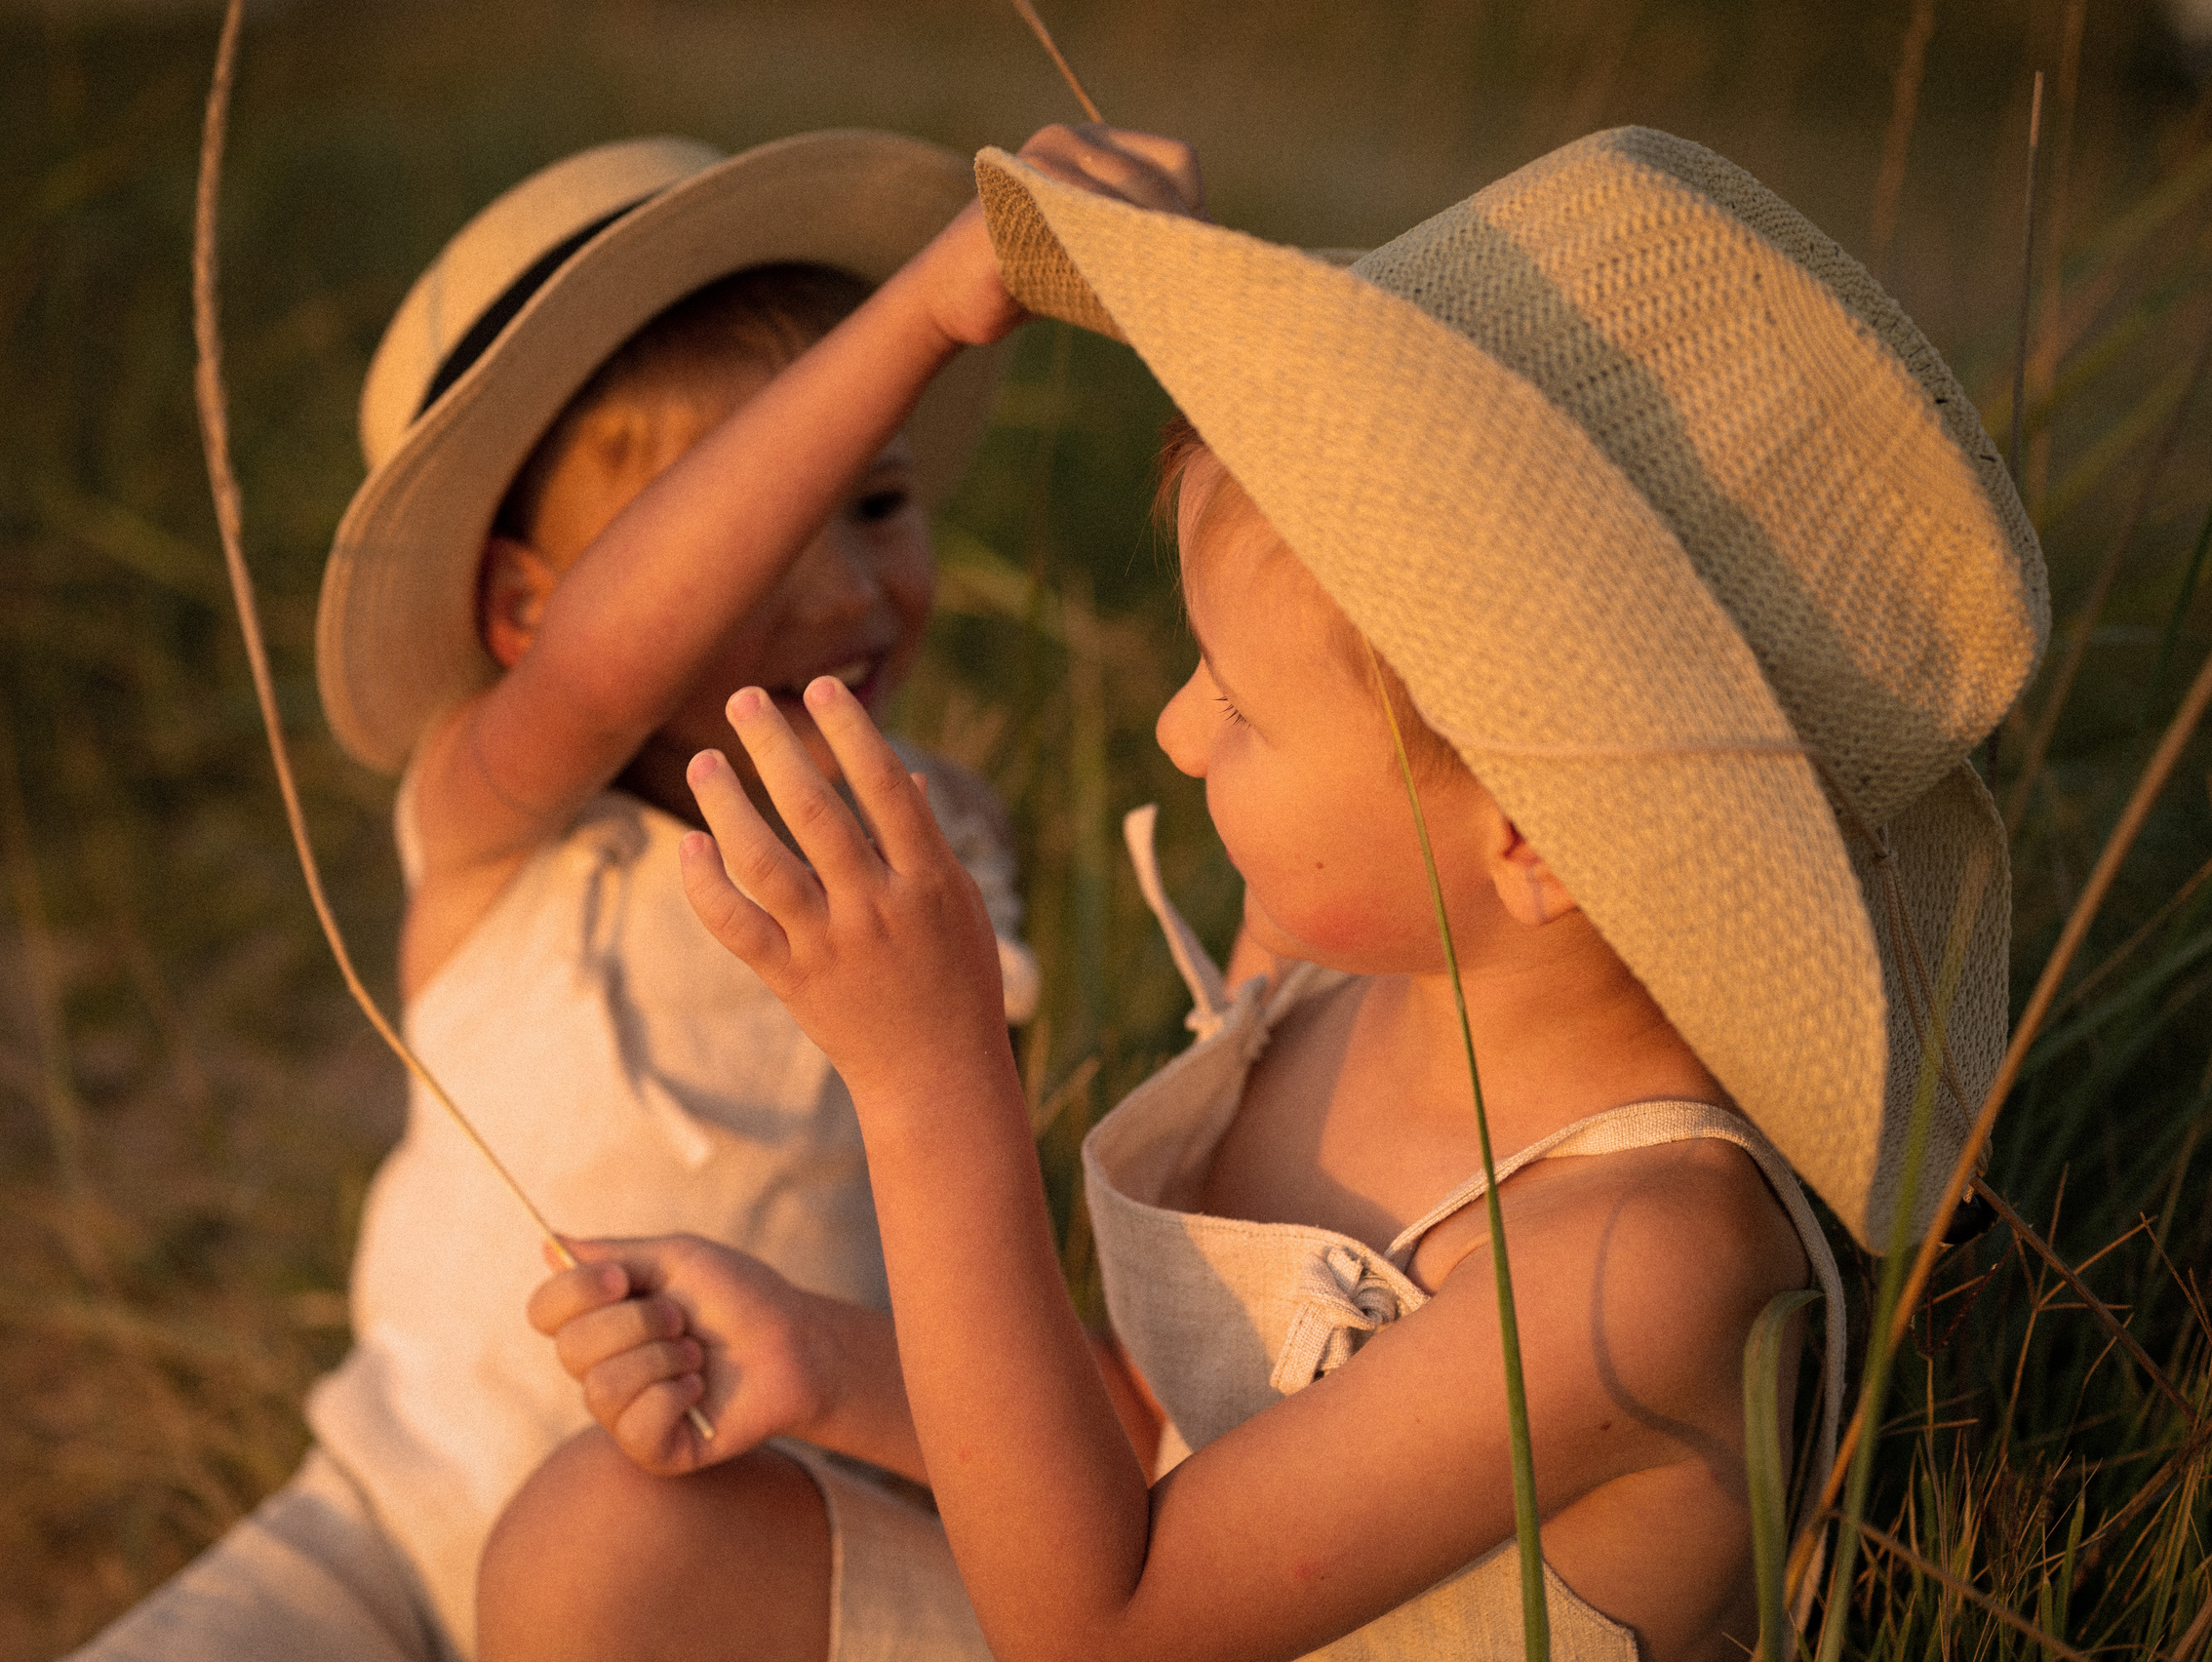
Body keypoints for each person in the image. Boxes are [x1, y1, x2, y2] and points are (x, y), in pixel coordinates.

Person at [477, 121, 2046, 1662]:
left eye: (1237, 697)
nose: (1175, 729)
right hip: (1111, 1586)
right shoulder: (1326, 996)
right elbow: (1162, 1440)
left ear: (1533, 840)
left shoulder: (1641, 1263)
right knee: (601, 1550)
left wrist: (928, 1072)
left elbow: (1105, 1625)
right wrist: (819, 1358)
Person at [65, 130, 1038, 1662]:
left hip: (724, 1563)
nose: (852, 592)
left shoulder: (944, 844)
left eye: (880, 501)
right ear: (523, 605)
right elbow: (610, 664)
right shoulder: (500, 816)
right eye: (765, 535)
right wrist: (913, 318)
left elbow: (985, 1240)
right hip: (384, 1537)